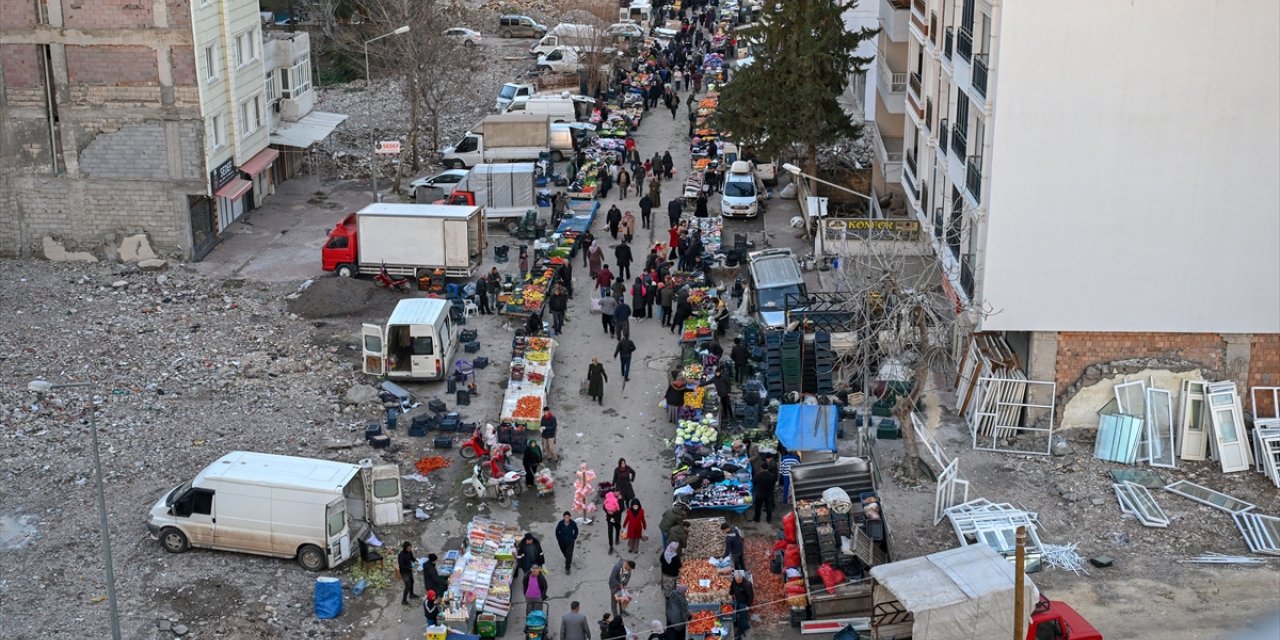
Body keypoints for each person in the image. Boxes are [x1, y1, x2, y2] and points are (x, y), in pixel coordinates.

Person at [728, 571, 755, 640]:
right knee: (735, 613)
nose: (737, 582)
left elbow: (751, 596)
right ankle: (742, 625)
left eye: (738, 581)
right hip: (737, 599)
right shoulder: (734, 580)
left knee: (742, 617)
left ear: (741, 579)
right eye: (736, 580)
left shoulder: (747, 584)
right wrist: (730, 594)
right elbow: (732, 588)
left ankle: (741, 630)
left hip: (744, 602)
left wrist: (748, 605)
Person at [603, 488, 624, 553]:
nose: (616, 493)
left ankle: (617, 538)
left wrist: (613, 513)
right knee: (610, 532)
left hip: (617, 518)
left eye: (617, 492)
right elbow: (604, 506)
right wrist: (607, 512)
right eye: (615, 491)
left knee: (618, 528)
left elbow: (621, 510)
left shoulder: (620, 500)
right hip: (609, 519)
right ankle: (611, 546)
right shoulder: (609, 497)